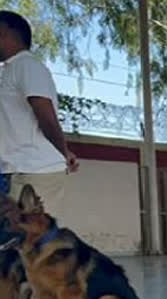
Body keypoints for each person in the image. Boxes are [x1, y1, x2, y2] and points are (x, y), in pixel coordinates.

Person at [0, 11, 78, 216]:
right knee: (15, 242)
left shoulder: (27, 66)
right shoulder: (11, 69)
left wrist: (63, 151)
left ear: (3, 32)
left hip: (35, 171)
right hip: (17, 169)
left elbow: (45, 115)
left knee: (30, 241)